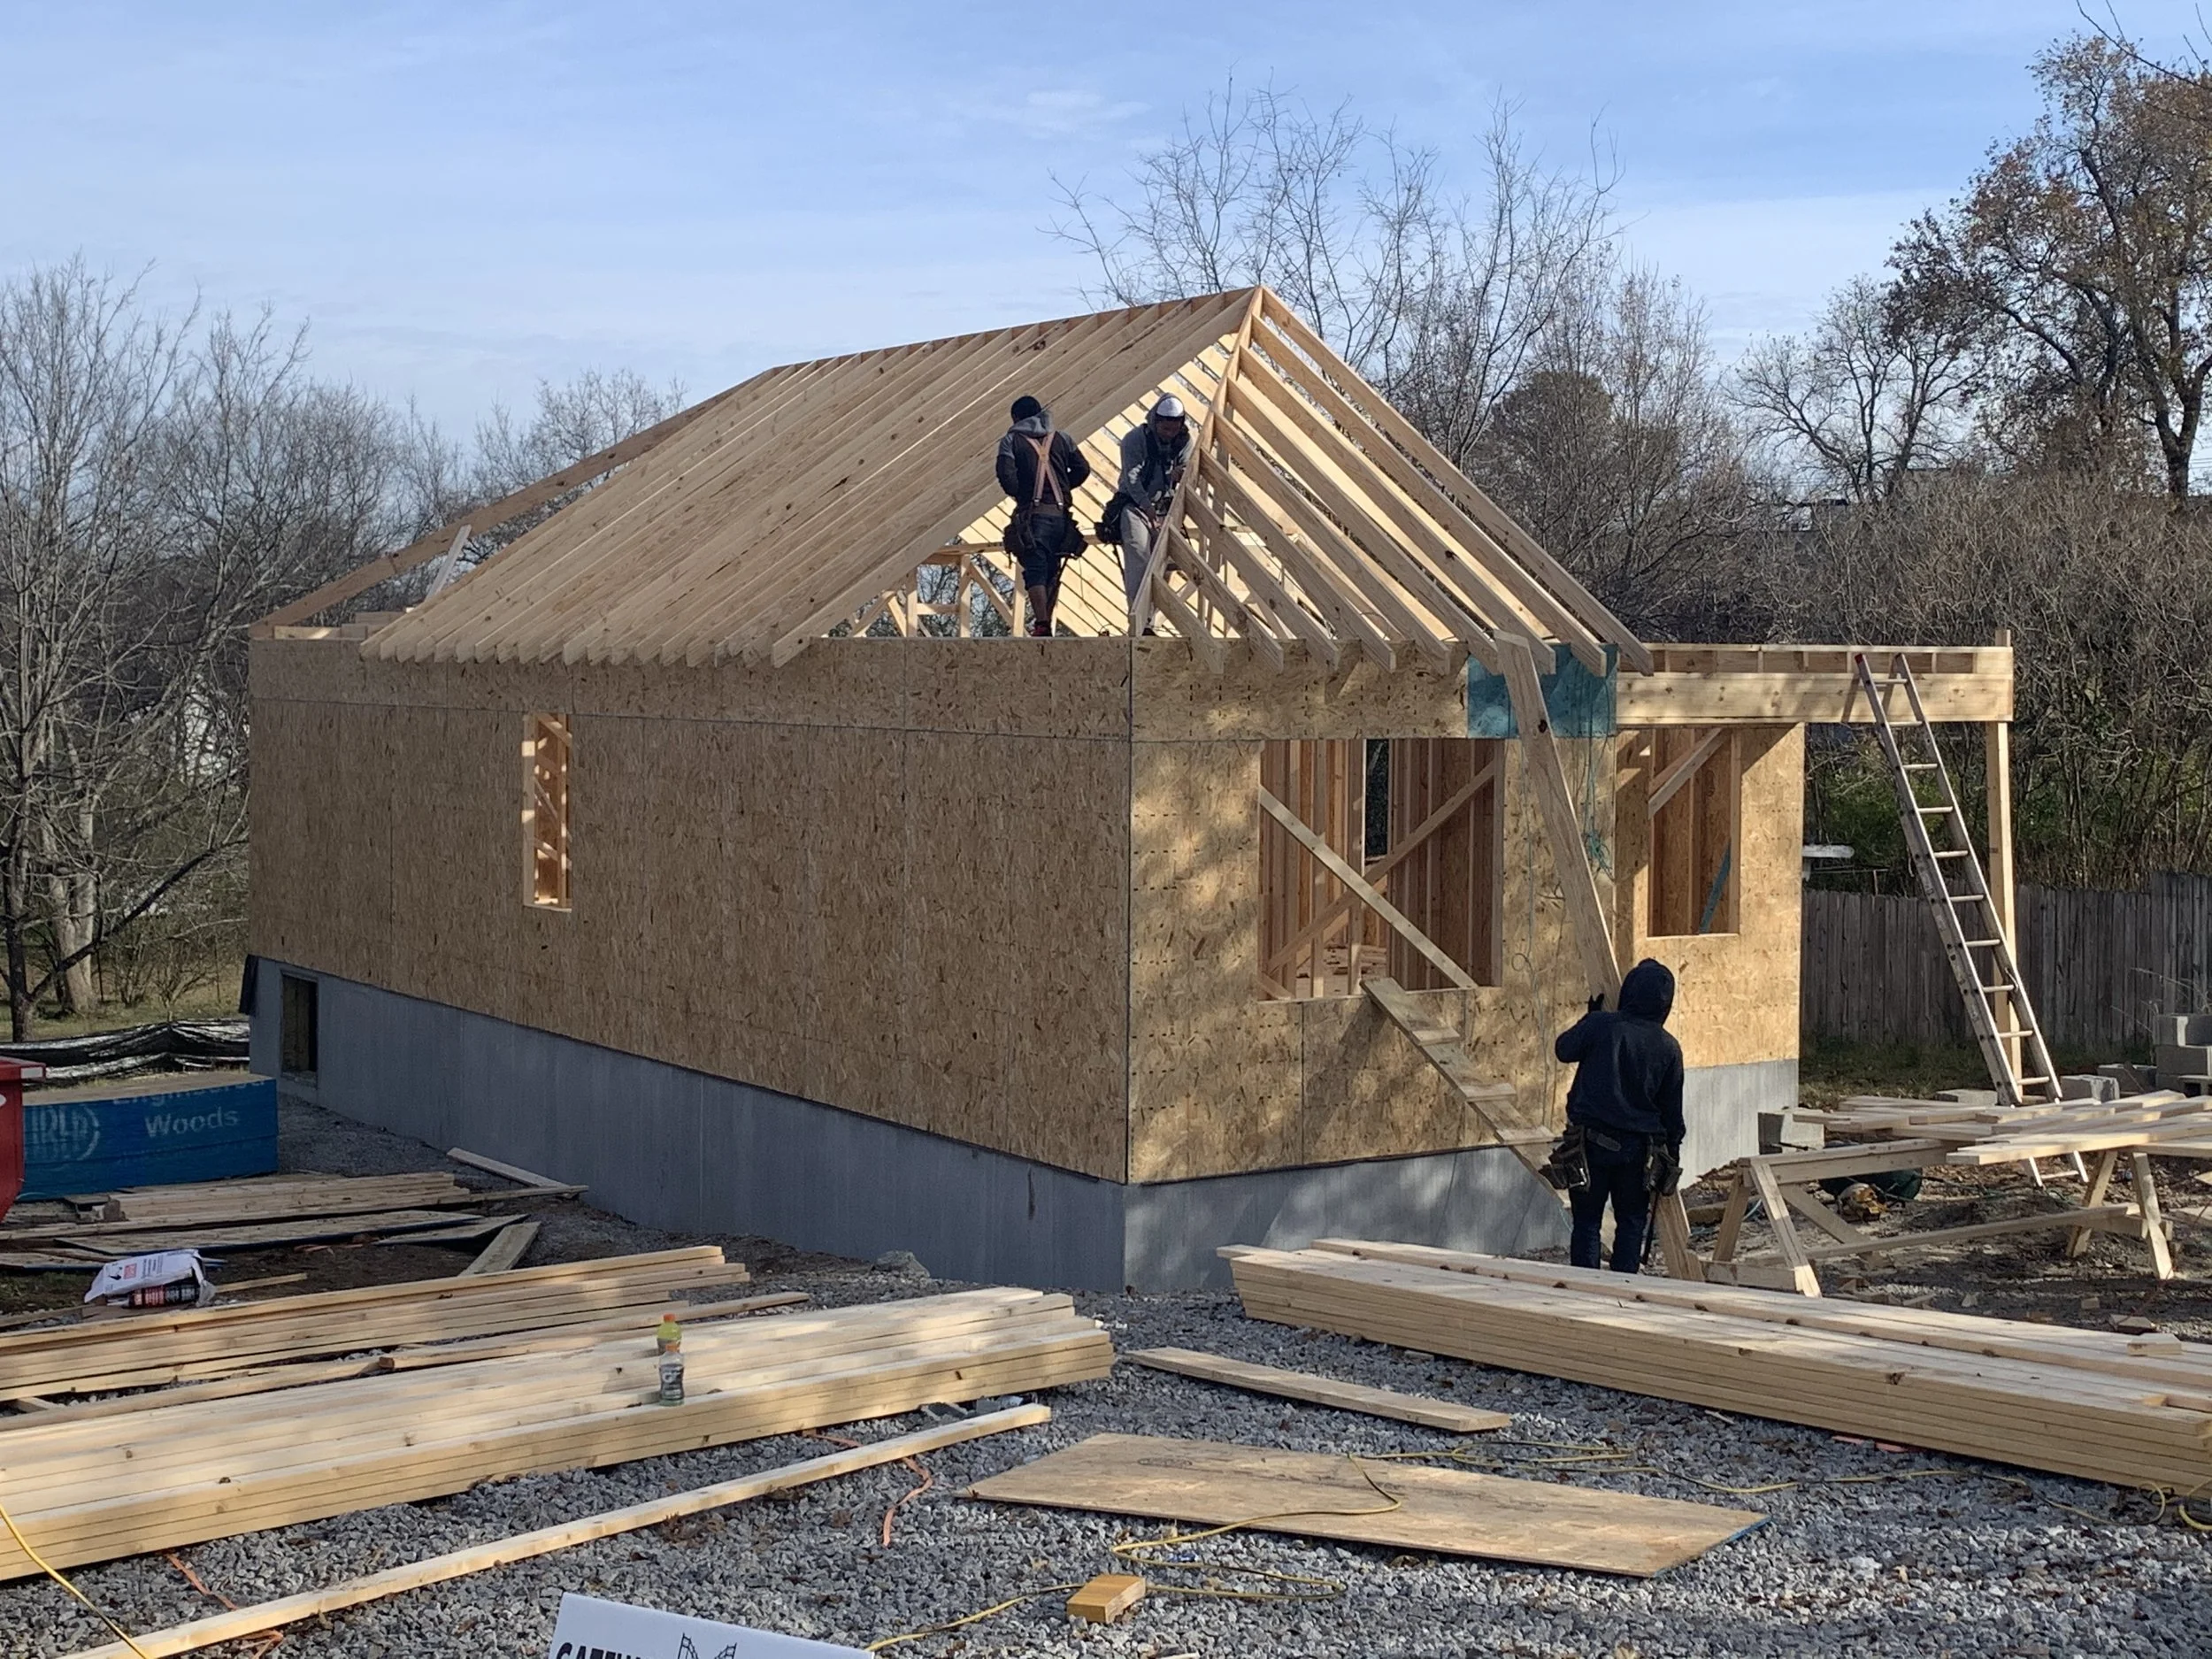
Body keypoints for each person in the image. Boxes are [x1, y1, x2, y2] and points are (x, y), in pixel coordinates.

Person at [1551, 958, 1686, 1273]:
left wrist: (1590, 1020)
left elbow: (1563, 1050)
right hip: (1638, 1153)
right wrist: (1672, 1158)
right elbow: (1672, 1113)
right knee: (1631, 1223)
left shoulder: (1601, 1026)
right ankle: (1624, 1296)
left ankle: (1584, 1293)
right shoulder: (1668, 1047)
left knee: (1586, 1222)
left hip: (1590, 1146)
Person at [995, 396, 1091, 637]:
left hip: (1034, 517)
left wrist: (1023, 494)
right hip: (1061, 517)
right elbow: (1083, 469)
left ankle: (1042, 623)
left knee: (1035, 568)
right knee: (1052, 568)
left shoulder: (1011, 441)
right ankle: (1046, 621)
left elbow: (1007, 479)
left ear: (1016, 418)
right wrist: (1063, 486)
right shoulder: (1062, 438)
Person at [1110, 396, 1192, 630]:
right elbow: (1131, 479)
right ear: (1155, 421)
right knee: (1139, 560)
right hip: (1135, 507)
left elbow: (1188, 467)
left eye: (1174, 428)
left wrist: (1180, 474)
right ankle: (1139, 623)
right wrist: (1147, 508)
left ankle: (1151, 622)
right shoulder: (1135, 440)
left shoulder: (1183, 440)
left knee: (1164, 565)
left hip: (1164, 508)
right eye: (1165, 428)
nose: (1169, 433)